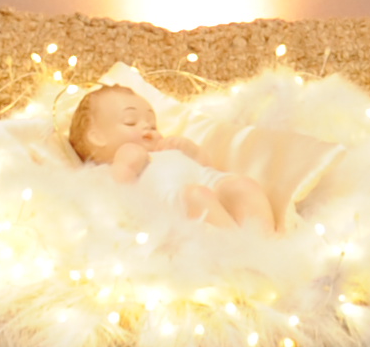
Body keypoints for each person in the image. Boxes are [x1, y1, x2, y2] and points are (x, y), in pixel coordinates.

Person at [67, 81, 280, 233]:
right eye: (131, 122)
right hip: (178, 201)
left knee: (244, 185)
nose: (147, 126)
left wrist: (192, 151)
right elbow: (122, 195)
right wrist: (127, 166)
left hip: (208, 182)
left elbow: (207, 166)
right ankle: (241, 253)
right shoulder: (118, 160)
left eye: (152, 123)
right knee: (198, 197)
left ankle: (265, 244)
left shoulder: (163, 150)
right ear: (97, 137)